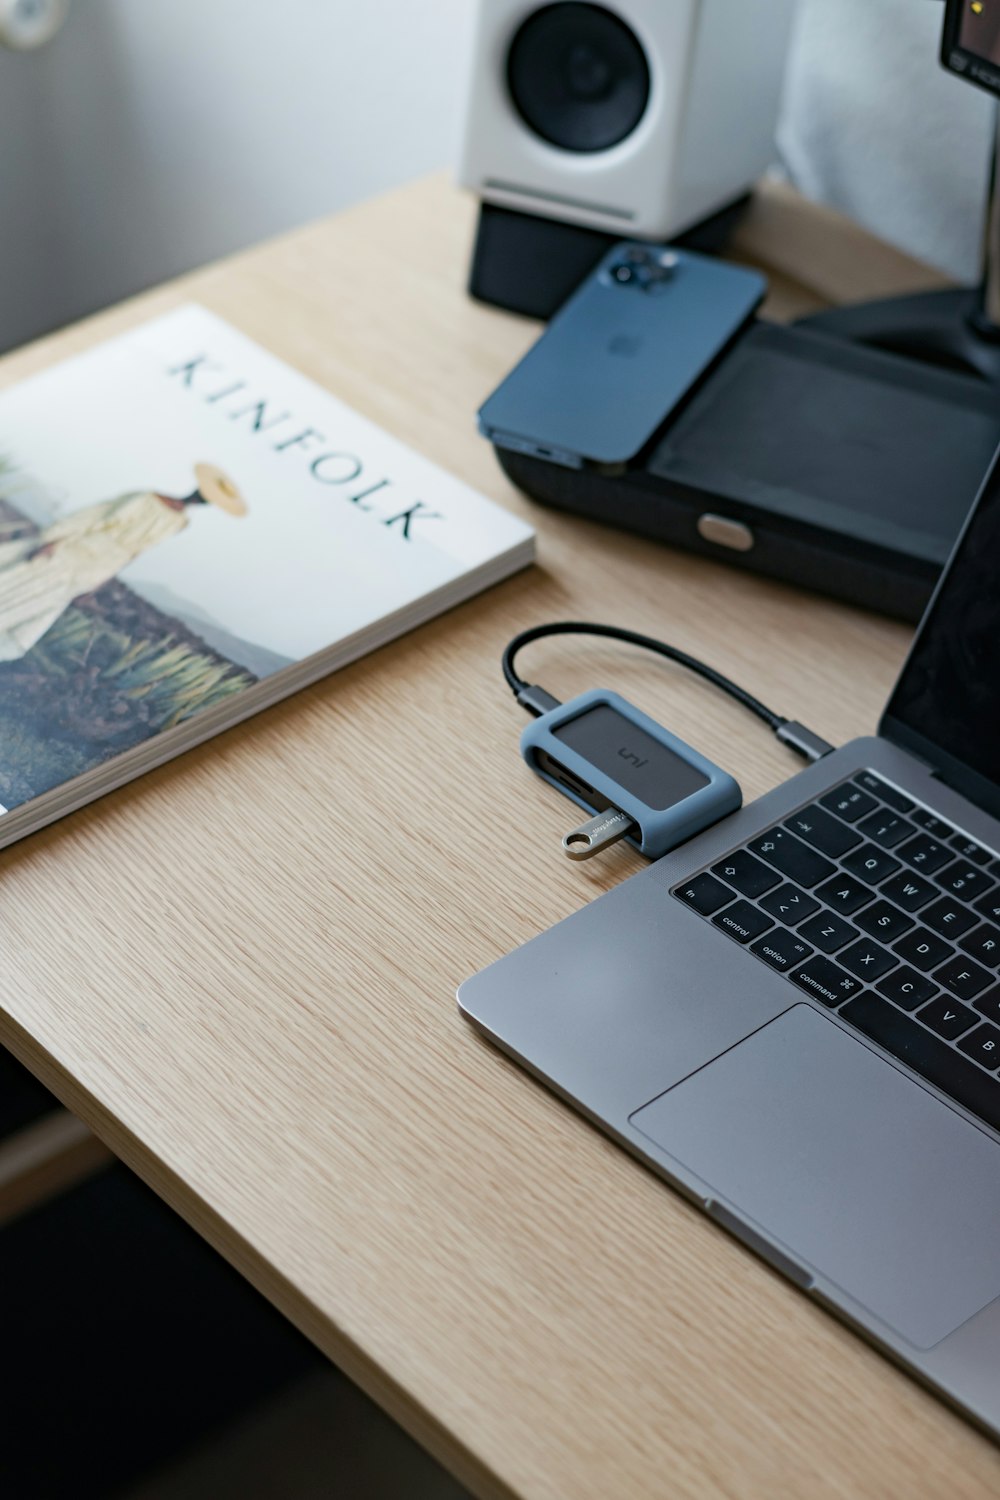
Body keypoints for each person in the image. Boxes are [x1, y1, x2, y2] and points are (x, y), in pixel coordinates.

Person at [0, 461, 247, 661]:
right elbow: (95, 517)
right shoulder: (147, 499)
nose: (201, 500)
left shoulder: (180, 523)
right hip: (82, 547)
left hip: (102, 564)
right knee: (25, 578)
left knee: (44, 596)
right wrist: (54, 538)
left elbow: (136, 551)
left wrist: (101, 580)